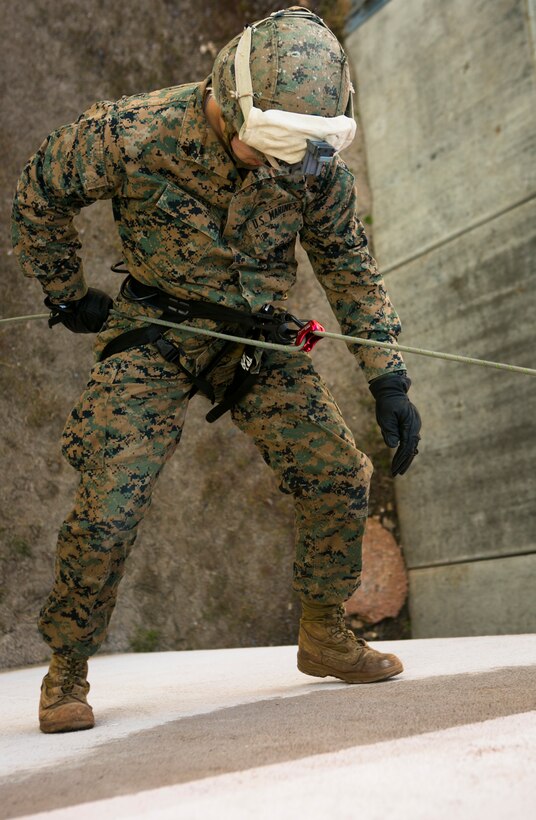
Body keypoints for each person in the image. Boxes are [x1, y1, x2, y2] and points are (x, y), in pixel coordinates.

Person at [12, 7, 421, 734]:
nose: (277, 169)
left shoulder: (311, 164)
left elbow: (348, 267)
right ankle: (66, 666)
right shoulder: (131, 133)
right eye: (264, 151)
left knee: (339, 474)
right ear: (231, 101)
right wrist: (66, 291)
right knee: (111, 502)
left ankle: (324, 634)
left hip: (254, 338)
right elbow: (41, 192)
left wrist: (387, 377)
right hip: (155, 332)